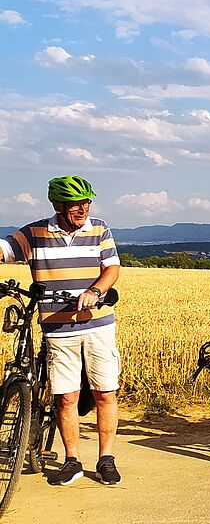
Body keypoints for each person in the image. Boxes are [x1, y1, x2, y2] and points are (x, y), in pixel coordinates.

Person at [0, 175, 122, 486]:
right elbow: (6, 248)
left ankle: (106, 459)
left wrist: (94, 292)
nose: (83, 208)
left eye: (86, 202)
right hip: (57, 328)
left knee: (105, 393)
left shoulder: (99, 228)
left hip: (98, 324)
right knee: (66, 397)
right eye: (75, 204)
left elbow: (112, 268)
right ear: (58, 205)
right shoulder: (37, 232)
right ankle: (72, 460)